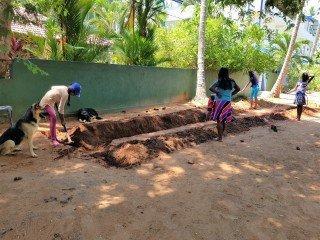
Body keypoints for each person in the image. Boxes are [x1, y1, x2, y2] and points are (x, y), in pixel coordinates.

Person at [209, 67, 240, 141]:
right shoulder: (232, 82)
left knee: (218, 120)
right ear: (227, 73)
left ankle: (219, 138)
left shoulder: (219, 81)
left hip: (219, 101)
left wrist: (217, 92)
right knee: (223, 120)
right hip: (227, 102)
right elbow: (238, 89)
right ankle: (221, 136)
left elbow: (211, 88)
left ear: (220, 73)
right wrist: (231, 94)